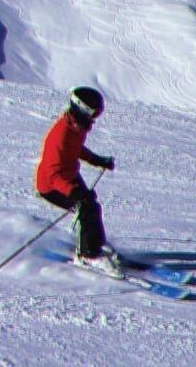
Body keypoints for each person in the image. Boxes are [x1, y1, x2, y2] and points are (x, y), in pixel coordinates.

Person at [36, 86, 120, 276]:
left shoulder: (75, 127)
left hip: (68, 177)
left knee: (92, 206)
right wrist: (73, 192)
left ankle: (94, 244)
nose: (94, 119)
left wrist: (96, 160)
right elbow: (52, 173)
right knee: (86, 207)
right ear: (83, 109)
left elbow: (76, 149)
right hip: (52, 186)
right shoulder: (61, 135)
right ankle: (87, 255)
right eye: (93, 114)